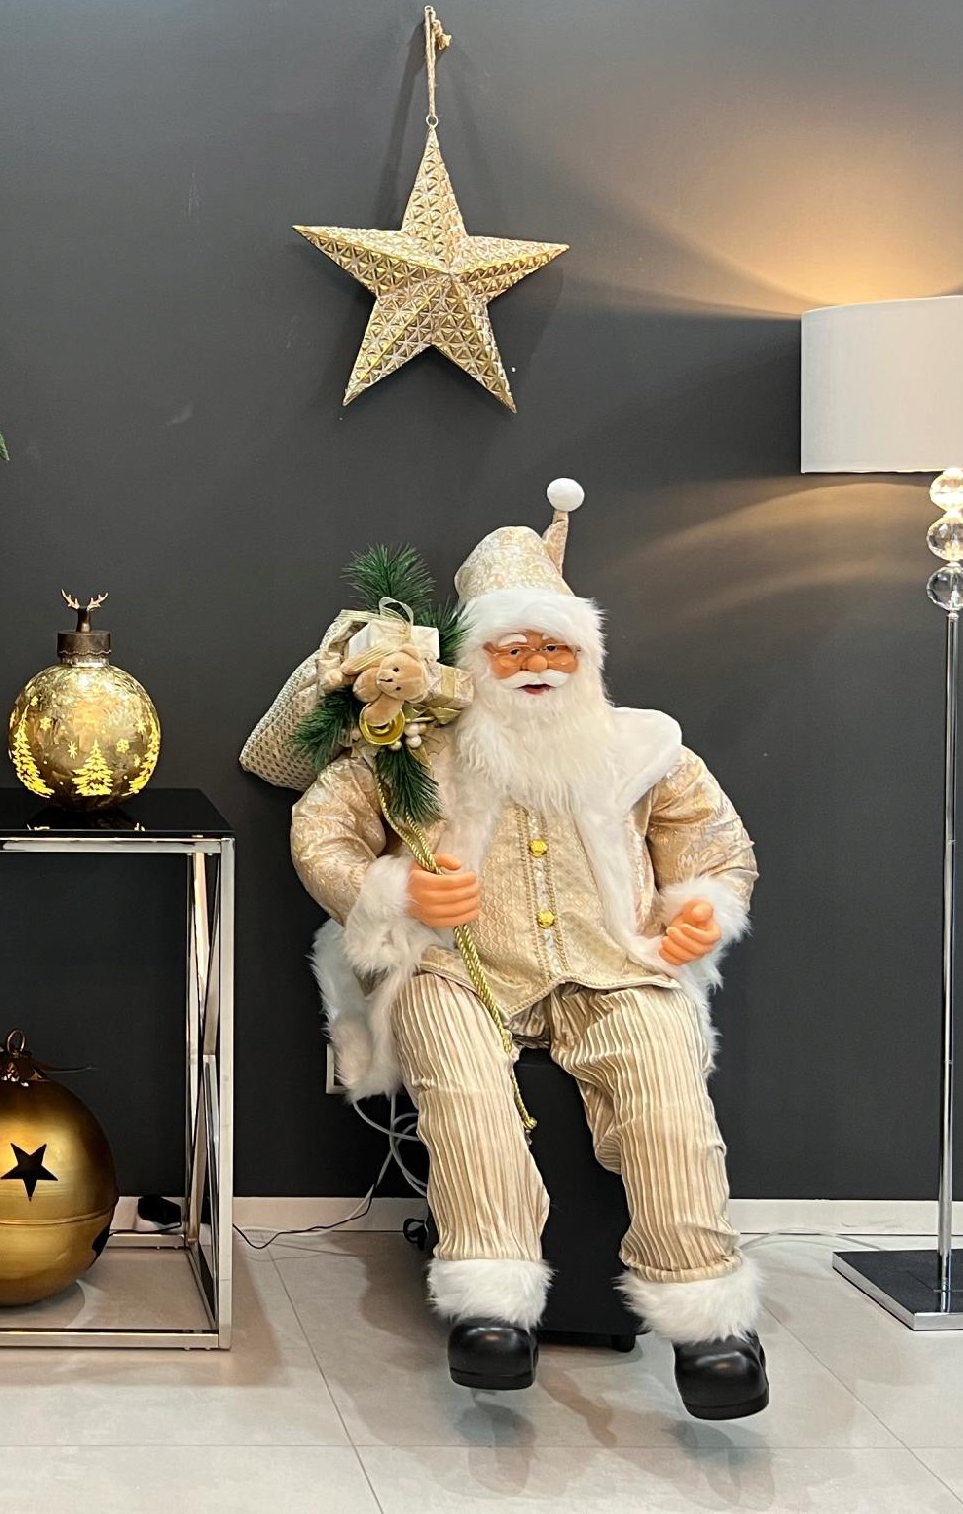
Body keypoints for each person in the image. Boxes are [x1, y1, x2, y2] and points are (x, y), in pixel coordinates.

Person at [290, 480, 768, 1419]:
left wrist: (702, 907)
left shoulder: (643, 747)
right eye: (514, 649)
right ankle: (491, 1300)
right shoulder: (415, 747)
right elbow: (322, 830)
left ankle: (705, 1307)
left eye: (557, 647)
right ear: (477, 657)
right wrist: (396, 890)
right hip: (458, 967)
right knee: (466, 1093)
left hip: (613, 966)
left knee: (667, 1089)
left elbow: (716, 844)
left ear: (588, 656)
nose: (537, 665)